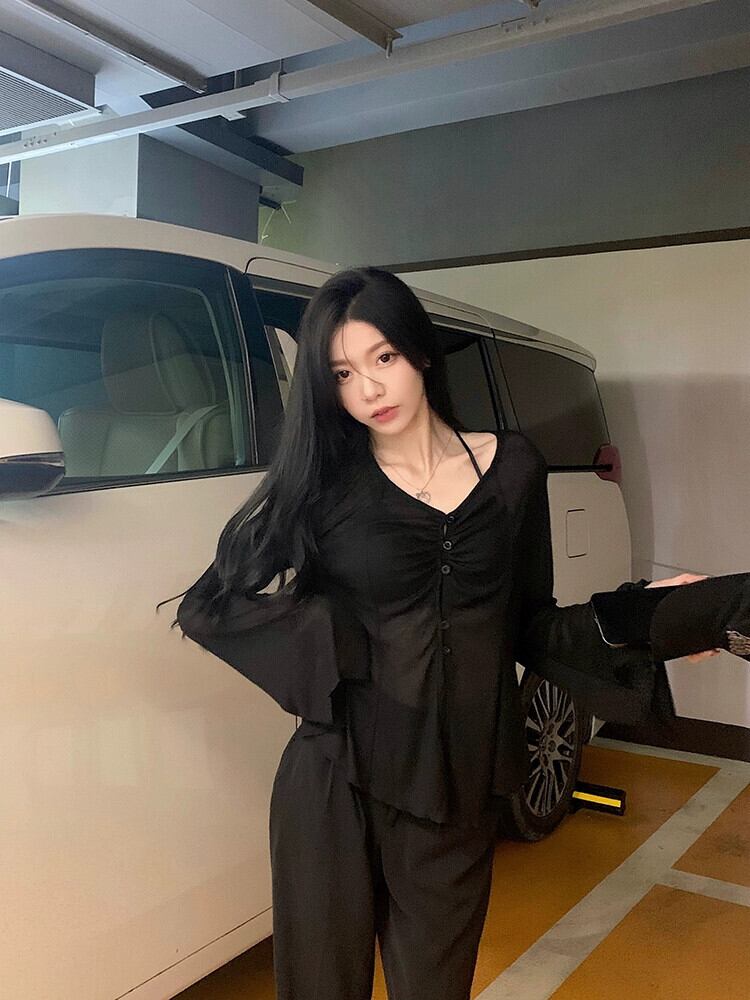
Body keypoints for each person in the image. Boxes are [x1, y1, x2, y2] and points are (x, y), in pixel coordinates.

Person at [159, 267, 720, 1000]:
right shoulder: (323, 482)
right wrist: (331, 640)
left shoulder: (513, 468)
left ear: (420, 352)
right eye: (343, 373)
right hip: (334, 780)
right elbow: (209, 606)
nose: (369, 389)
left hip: (456, 786)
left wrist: (649, 619)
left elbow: (531, 625)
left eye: (383, 357)